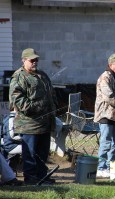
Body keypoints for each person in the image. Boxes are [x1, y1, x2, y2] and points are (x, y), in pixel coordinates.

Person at [9, 48, 57, 185]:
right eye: (32, 60)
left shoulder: (42, 75)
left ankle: (42, 177)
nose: (35, 62)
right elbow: (18, 101)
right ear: (24, 60)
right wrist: (39, 106)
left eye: (36, 59)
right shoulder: (19, 76)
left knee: (42, 154)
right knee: (30, 154)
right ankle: (31, 179)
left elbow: (50, 93)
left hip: (45, 123)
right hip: (29, 124)